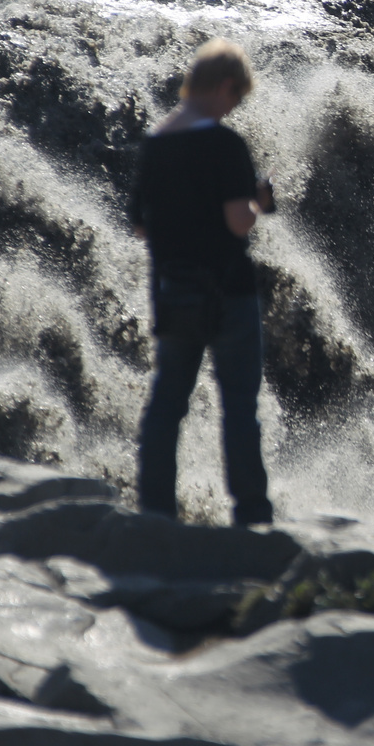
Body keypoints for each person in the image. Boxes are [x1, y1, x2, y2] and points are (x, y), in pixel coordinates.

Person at [129, 38, 276, 525]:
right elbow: (238, 222)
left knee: (168, 401)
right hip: (228, 291)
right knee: (238, 404)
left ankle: (154, 511)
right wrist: (257, 201)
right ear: (227, 85)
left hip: (174, 292)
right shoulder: (224, 143)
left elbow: (141, 224)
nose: (235, 108)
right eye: (238, 98)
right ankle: (251, 515)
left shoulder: (154, 145)